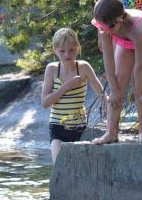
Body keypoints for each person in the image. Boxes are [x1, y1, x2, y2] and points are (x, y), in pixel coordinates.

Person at [91, 0, 142, 144]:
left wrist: (138, 92)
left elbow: (140, 65)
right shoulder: (105, 26)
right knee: (117, 83)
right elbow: (108, 59)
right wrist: (115, 90)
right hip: (125, 41)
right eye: (101, 27)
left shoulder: (139, 27)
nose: (103, 31)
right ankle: (111, 133)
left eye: (105, 28)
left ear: (118, 21)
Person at [41, 28, 104, 164]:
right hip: (57, 127)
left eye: (71, 50)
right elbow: (45, 103)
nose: (67, 54)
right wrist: (66, 87)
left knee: (79, 168)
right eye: (62, 51)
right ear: (55, 50)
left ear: (78, 48)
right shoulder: (52, 69)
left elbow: (102, 94)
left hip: (79, 127)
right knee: (59, 166)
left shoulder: (83, 67)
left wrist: (111, 105)